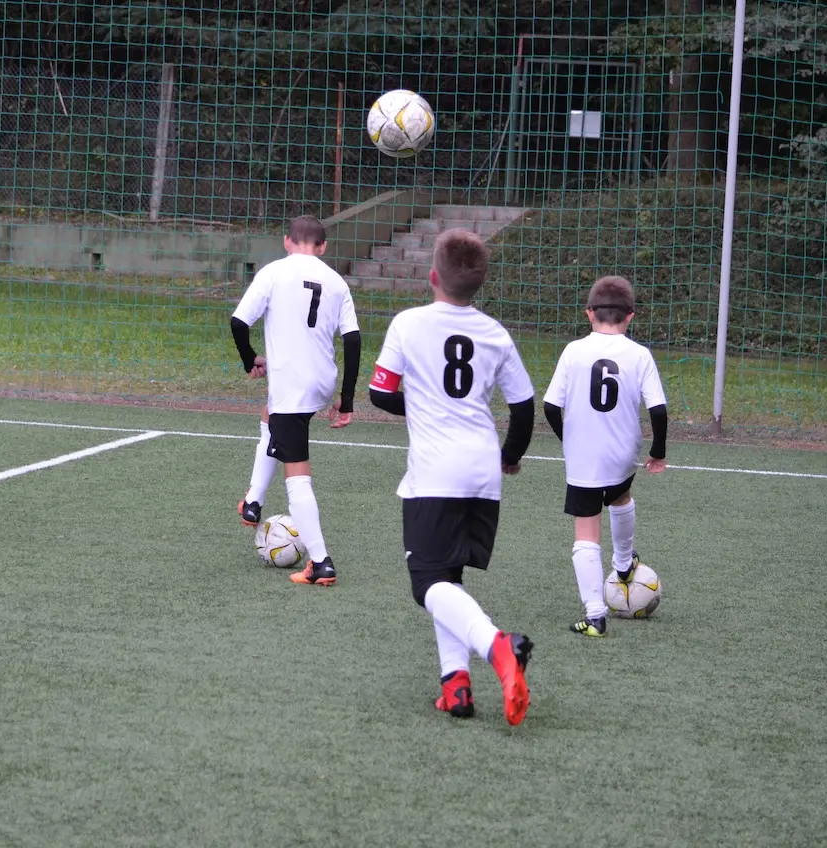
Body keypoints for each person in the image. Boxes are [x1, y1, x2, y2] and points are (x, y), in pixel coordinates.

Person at [368, 228, 535, 726]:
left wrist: (422, 405)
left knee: (426, 584)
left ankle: (498, 646)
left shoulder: (408, 323)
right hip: (483, 472)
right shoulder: (495, 332)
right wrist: (511, 455)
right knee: (448, 579)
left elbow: (380, 393)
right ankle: (455, 686)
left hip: (436, 472)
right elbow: (524, 406)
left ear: (432, 277)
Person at [230, 215, 361, 587]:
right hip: (320, 381)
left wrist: (249, 360)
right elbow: (352, 340)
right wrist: (346, 399)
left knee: (297, 476)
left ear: (287, 241)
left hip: (292, 386)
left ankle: (321, 562)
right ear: (322, 247)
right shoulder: (336, 282)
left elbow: (238, 323)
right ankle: (253, 502)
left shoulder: (273, 273)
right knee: (269, 415)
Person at [541, 275, 667, 637]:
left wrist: (568, 439)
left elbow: (550, 406)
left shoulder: (573, 351)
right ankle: (624, 565)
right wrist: (657, 451)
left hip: (583, 458)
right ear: (630, 316)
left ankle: (595, 615)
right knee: (621, 497)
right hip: (622, 454)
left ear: (589, 313)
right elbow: (658, 410)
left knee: (586, 532)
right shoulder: (639, 354)